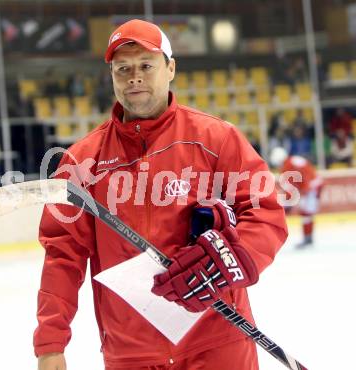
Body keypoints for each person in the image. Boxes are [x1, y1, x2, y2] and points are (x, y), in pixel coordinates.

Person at [35, 19, 288, 370]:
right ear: (111, 76)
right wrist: (50, 344)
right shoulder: (81, 161)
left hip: (217, 342)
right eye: (122, 68)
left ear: (170, 69)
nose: (133, 76)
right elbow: (63, 256)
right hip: (131, 353)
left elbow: (265, 214)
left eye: (145, 66)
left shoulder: (217, 139)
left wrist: (232, 261)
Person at [270, 147, 322, 248]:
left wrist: (289, 203)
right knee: (307, 212)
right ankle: (308, 237)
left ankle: (308, 238)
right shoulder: (292, 161)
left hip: (311, 186)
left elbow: (292, 185)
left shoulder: (287, 166)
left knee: (306, 212)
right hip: (313, 183)